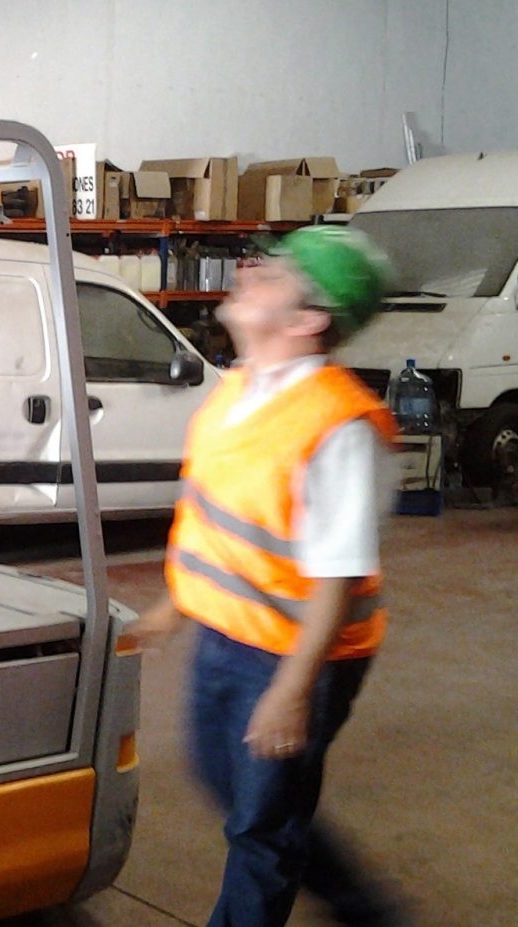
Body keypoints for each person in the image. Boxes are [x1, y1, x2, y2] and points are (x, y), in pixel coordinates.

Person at [134, 226, 409, 927]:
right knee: (226, 781)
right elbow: (217, 517)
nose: (251, 273)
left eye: (274, 276)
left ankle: (359, 909)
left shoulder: (338, 424)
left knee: (261, 826)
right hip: (228, 637)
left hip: (297, 656)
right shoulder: (240, 387)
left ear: (308, 317)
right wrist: (176, 605)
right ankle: (363, 906)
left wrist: (291, 691)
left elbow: (337, 576)